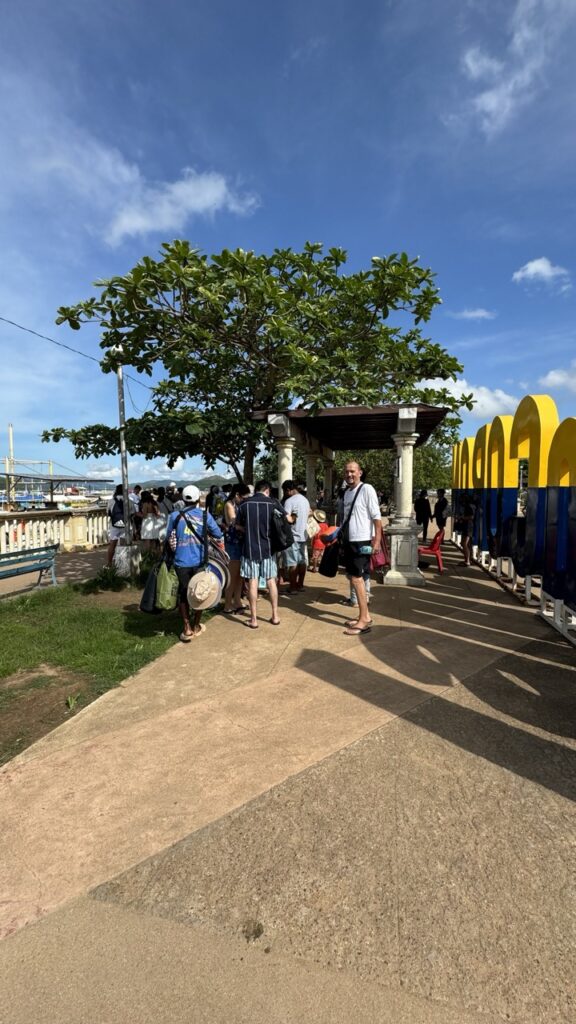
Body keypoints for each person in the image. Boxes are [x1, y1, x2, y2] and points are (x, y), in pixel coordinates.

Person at [165, 485, 225, 642]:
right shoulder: (205, 516)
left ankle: (186, 627)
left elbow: (168, 536)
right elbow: (218, 534)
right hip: (200, 560)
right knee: (201, 590)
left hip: (180, 561)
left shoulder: (174, 516)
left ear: (183, 499)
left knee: (184, 593)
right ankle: (196, 624)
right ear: (199, 498)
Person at [235, 479, 294, 629]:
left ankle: (254, 619)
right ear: (267, 490)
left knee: (253, 582)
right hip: (269, 549)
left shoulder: (244, 505)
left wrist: (247, 530)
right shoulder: (273, 503)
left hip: (249, 550)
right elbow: (288, 519)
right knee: (271, 581)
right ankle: (275, 616)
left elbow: (237, 526)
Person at [340, 461, 382, 636]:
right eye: (347, 472)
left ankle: (364, 619)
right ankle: (364, 616)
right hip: (349, 540)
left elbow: (376, 517)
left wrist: (377, 541)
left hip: (362, 540)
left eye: (353, 471)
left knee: (357, 578)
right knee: (354, 577)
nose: (349, 475)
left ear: (360, 473)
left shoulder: (367, 489)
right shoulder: (348, 493)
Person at [222, 483, 251, 614]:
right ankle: (228, 603)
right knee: (232, 576)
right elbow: (233, 522)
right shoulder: (229, 504)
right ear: (237, 495)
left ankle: (237, 601)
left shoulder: (240, 504)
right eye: (243, 498)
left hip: (240, 542)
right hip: (232, 543)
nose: (245, 500)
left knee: (240, 575)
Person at [282, 480, 311, 595]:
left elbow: (287, 518)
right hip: (303, 535)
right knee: (302, 561)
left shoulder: (289, 501)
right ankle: (300, 585)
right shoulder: (305, 500)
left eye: (285, 491)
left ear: (288, 490)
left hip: (292, 535)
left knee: (292, 563)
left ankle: (293, 587)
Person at [106, 484, 127, 566]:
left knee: (112, 544)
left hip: (114, 525)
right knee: (123, 544)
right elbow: (132, 513)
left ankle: (109, 563)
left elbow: (108, 513)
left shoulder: (111, 501)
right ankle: (122, 564)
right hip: (126, 526)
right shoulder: (128, 501)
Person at [457, 492, 476, 566]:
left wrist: (462, 518)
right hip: (467, 526)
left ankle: (467, 561)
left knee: (464, 543)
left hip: (468, 527)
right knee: (465, 544)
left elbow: (471, 517)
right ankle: (467, 559)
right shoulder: (468, 506)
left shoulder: (469, 506)